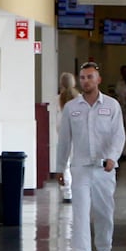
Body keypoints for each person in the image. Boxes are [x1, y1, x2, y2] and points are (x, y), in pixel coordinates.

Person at [56, 62, 126, 251]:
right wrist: (60, 168)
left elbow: (118, 135)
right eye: (83, 77)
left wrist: (113, 158)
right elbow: (64, 141)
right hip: (80, 168)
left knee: (104, 213)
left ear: (98, 80)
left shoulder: (112, 106)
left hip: (104, 169)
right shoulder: (71, 108)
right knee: (80, 213)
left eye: (90, 77)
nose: (86, 81)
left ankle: (104, 250)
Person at [57, 71, 79, 203]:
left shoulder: (57, 100)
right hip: (77, 135)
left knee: (64, 164)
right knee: (76, 163)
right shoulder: (80, 99)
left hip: (62, 135)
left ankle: (67, 193)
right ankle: (76, 190)